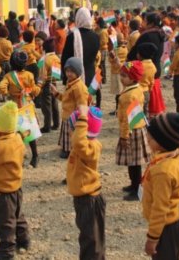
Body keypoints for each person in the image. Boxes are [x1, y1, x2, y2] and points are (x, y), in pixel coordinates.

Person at [0, 102, 31, 260]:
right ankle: (24, 240)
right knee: (18, 215)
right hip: (17, 187)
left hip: (4, 191)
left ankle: (6, 250)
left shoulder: (2, 147)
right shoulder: (17, 138)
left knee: (5, 221)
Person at [142, 113, 179, 260]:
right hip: (171, 221)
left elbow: (160, 208)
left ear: (161, 143)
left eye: (150, 137)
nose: (147, 138)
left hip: (165, 227)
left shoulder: (163, 172)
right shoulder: (173, 154)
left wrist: (152, 238)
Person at [67, 104, 106, 260]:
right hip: (84, 198)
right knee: (89, 237)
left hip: (89, 200)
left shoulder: (89, 148)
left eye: (73, 129)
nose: (70, 133)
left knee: (91, 241)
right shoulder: (84, 147)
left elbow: (78, 141)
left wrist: (82, 118)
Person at [0, 51, 41, 167]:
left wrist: (8, 93)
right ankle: (35, 156)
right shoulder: (29, 75)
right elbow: (35, 91)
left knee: (16, 131)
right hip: (27, 104)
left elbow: (1, 87)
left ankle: (19, 155)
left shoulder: (8, 76)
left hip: (15, 105)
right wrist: (37, 88)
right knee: (29, 130)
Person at [117, 61, 151, 201]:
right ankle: (134, 185)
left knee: (134, 162)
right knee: (133, 161)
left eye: (124, 76)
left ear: (133, 78)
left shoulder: (129, 96)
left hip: (131, 131)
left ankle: (137, 190)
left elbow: (127, 119)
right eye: (121, 75)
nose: (121, 78)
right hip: (137, 127)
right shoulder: (138, 89)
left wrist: (124, 136)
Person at [127, 12, 167, 118]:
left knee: (142, 104)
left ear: (151, 23)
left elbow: (133, 53)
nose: (142, 23)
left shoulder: (146, 35)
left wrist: (128, 64)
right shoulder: (160, 33)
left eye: (144, 21)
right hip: (156, 68)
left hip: (143, 71)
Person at [51, 57, 89, 159]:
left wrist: (81, 118)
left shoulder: (79, 87)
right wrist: (56, 93)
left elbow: (82, 104)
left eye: (72, 71)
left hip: (73, 118)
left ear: (78, 72)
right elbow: (65, 98)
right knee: (66, 134)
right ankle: (66, 148)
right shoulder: (70, 82)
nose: (69, 73)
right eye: (67, 71)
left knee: (71, 135)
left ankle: (69, 151)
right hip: (67, 115)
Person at [61, 7, 100, 88]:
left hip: (75, 77)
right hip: (90, 75)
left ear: (77, 18)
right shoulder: (96, 36)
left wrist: (65, 76)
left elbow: (65, 58)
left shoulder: (72, 36)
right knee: (89, 95)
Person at [38, 38, 61, 133]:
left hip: (46, 85)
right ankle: (56, 123)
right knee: (54, 104)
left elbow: (42, 76)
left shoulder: (44, 59)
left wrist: (39, 86)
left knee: (46, 107)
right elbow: (58, 74)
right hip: (54, 83)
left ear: (44, 48)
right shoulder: (56, 58)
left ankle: (46, 126)